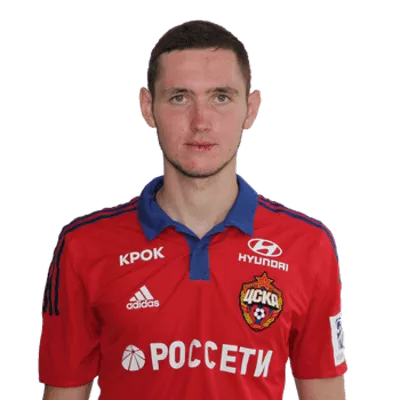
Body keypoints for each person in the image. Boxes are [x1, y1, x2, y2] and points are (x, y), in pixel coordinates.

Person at [38, 18, 347, 399]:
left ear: (251, 109)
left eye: (221, 97)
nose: (201, 122)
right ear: (147, 107)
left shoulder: (308, 246)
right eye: (179, 97)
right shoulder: (84, 246)